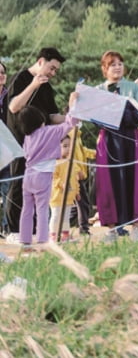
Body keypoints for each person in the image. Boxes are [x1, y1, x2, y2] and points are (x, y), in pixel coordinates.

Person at [5, 47, 66, 238]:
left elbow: (52, 116)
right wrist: (33, 84)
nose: (53, 73)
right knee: (18, 183)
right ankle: (13, 229)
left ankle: (32, 231)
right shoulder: (21, 78)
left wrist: (72, 117)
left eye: (56, 70)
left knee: (39, 189)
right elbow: (14, 106)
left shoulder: (47, 87)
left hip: (40, 147)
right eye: (51, 68)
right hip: (19, 142)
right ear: (41, 62)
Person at [94, 50, 138, 239]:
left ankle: (135, 226)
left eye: (120, 63)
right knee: (108, 182)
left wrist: (127, 115)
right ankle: (112, 228)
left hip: (130, 137)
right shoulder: (98, 90)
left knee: (134, 178)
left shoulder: (132, 87)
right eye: (113, 64)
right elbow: (92, 113)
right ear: (105, 68)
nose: (117, 67)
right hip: (109, 139)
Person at [17, 100, 77, 249]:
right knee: (42, 209)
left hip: (28, 175)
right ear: (40, 119)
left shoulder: (27, 137)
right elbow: (70, 123)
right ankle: (42, 240)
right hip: (42, 175)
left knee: (27, 209)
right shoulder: (49, 131)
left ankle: (25, 240)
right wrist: (73, 103)